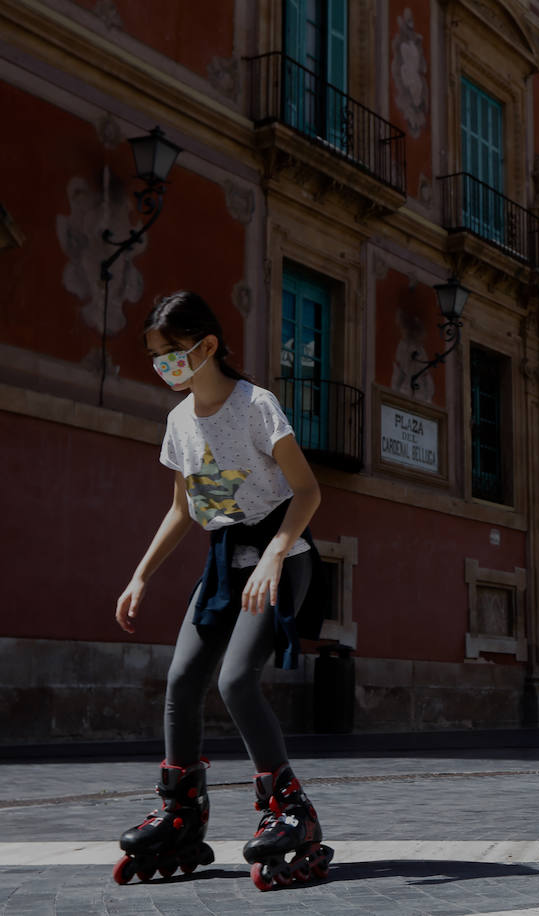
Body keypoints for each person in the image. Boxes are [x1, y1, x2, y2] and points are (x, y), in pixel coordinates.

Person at [112, 292, 332, 889]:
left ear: (207, 347)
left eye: (172, 354)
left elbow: (306, 492)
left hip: (282, 553)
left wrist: (275, 557)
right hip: (223, 561)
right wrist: (141, 575)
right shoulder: (178, 422)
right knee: (182, 679)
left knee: (235, 679)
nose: (165, 367)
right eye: (157, 358)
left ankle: (292, 811)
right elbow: (182, 509)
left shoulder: (256, 406)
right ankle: (182, 811)